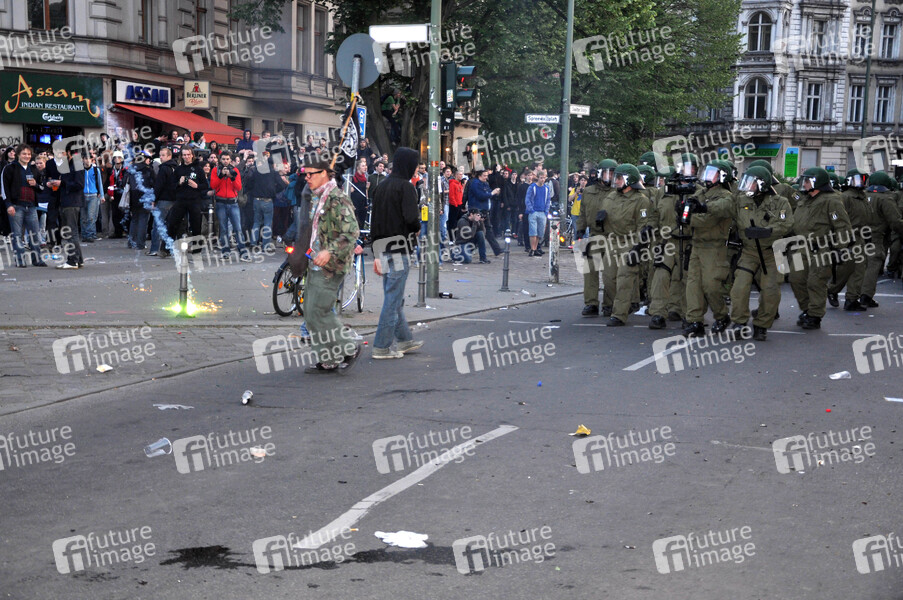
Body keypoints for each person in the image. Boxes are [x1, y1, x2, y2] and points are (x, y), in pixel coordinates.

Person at [302, 159, 362, 374]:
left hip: (331, 266)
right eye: (305, 174)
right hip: (315, 262)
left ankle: (348, 346)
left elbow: (352, 232)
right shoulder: (317, 197)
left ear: (325, 173)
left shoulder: (337, 198)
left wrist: (329, 251)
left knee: (319, 311)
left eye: (311, 173)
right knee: (310, 313)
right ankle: (328, 357)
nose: (307, 178)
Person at [727, 166, 794, 341]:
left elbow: (786, 224)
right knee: (739, 287)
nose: (747, 186)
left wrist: (767, 231)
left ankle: (762, 324)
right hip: (749, 251)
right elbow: (728, 216)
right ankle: (739, 322)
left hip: (774, 251)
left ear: (762, 184)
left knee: (771, 291)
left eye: (751, 183)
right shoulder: (740, 200)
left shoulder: (780, 202)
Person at [370, 146, 424, 359]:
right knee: (393, 300)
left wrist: (375, 252)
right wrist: (417, 227)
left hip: (382, 248)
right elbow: (411, 218)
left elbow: (374, 222)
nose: (416, 169)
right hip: (399, 249)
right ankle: (381, 346)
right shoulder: (406, 187)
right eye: (415, 165)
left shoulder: (381, 186)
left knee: (394, 296)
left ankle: (404, 340)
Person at [789, 167, 853, 330]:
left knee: (816, 282)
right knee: (796, 279)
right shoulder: (805, 200)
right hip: (801, 247)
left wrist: (839, 247)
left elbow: (842, 226)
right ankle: (807, 309)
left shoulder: (831, 200)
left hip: (821, 249)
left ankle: (815, 315)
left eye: (808, 181)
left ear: (817, 183)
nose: (804, 183)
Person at [681, 161, 736, 337]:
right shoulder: (700, 193)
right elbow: (688, 211)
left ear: (722, 176)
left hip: (714, 247)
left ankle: (721, 315)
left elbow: (709, 219)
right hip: (697, 244)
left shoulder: (726, 196)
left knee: (711, 286)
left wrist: (695, 213)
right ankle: (695, 321)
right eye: (707, 172)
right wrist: (683, 209)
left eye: (712, 173)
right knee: (693, 285)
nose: (707, 176)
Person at [595, 164, 654, 326]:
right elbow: (604, 216)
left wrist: (639, 248)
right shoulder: (611, 197)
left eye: (620, 178)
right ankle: (622, 305)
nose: (616, 181)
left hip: (630, 242)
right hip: (612, 241)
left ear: (630, 181)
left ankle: (619, 314)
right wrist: (600, 220)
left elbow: (643, 226)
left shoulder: (641, 200)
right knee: (608, 278)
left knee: (624, 279)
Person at [826, 169, 871, 311]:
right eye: (859, 179)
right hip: (847, 237)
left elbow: (866, 217)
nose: (862, 182)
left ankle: (851, 299)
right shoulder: (845, 197)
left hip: (860, 236)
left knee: (859, 270)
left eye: (864, 179)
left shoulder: (863, 197)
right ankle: (832, 290)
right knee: (845, 269)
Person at [1, 144, 48, 267]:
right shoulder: (10, 168)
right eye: (24, 154)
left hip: (31, 206)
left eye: (28, 154)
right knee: (17, 235)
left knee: (35, 235)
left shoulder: (34, 169)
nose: (27, 156)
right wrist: (8, 205)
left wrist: (35, 185)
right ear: (18, 155)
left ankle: (37, 259)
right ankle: (20, 260)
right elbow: (4, 188)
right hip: (16, 206)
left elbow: (42, 188)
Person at [210, 151, 249, 260]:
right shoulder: (215, 170)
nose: (225, 161)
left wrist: (231, 177)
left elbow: (239, 187)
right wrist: (221, 176)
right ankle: (225, 252)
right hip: (220, 202)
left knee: (238, 228)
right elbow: (213, 185)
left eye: (227, 159)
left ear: (230, 160)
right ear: (220, 159)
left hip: (233, 203)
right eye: (223, 159)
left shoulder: (235, 170)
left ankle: (243, 252)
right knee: (223, 229)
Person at [244, 155, 287, 251]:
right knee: (267, 223)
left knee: (256, 222)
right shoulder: (273, 173)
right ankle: (266, 245)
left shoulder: (256, 172)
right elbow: (282, 185)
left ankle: (253, 243)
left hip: (256, 200)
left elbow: (249, 184)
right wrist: (273, 191)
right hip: (268, 200)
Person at [166, 147, 209, 240]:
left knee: (196, 226)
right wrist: (179, 183)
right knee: (173, 224)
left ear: (192, 155)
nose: (186, 157)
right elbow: (171, 186)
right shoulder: (178, 169)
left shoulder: (198, 169)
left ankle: (196, 247)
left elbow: (205, 185)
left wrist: (197, 186)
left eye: (188, 154)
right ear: (181, 156)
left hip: (195, 201)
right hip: (181, 200)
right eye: (184, 155)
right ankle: (168, 246)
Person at [57, 147, 86, 269]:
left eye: (61, 152)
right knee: (71, 231)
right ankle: (78, 259)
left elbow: (79, 184)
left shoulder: (77, 164)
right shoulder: (67, 165)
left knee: (70, 232)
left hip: (72, 202)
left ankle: (72, 261)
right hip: (66, 201)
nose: (59, 154)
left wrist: (62, 183)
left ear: (69, 152)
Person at [149, 147, 178, 257]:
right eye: (160, 155)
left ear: (169, 156)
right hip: (174, 200)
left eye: (163, 155)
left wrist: (154, 199)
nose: (161, 157)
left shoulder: (164, 168)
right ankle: (168, 249)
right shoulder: (176, 168)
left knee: (157, 225)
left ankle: (155, 249)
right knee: (170, 225)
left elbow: (159, 185)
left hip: (164, 200)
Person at [126, 151, 155, 250]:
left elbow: (124, 182)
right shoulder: (148, 169)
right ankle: (140, 243)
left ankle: (131, 242)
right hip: (145, 196)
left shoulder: (131, 169)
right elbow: (153, 183)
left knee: (134, 219)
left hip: (133, 196)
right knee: (143, 219)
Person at [525, 170, 551, 257]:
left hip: (542, 212)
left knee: (540, 233)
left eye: (544, 178)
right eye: (541, 178)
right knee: (533, 232)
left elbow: (548, 200)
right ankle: (532, 249)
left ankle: (535, 248)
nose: (542, 179)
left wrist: (546, 211)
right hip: (534, 212)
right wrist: (531, 210)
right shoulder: (532, 187)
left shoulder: (546, 188)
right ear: (538, 178)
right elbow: (527, 199)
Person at [79, 153, 104, 243]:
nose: (87, 161)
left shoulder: (96, 170)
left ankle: (90, 234)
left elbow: (100, 183)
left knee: (91, 216)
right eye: (86, 158)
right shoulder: (80, 170)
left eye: (89, 159)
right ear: (83, 159)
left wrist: (102, 195)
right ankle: (84, 234)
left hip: (93, 195)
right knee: (83, 217)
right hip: (82, 195)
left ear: (92, 160)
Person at [350, 159, 370, 229]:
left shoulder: (364, 179)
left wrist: (366, 204)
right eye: (363, 166)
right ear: (358, 168)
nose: (365, 167)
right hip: (355, 204)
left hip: (362, 204)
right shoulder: (353, 178)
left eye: (365, 166)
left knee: (362, 223)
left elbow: (364, 192)